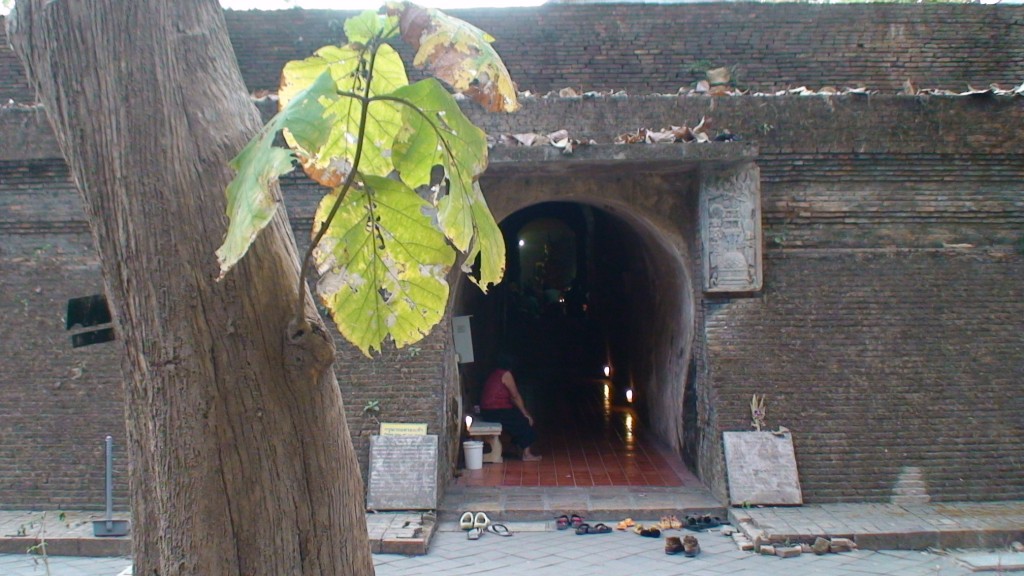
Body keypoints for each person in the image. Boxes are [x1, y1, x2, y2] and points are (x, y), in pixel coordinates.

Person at [479, 355, 541, 461]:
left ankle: (515, 448)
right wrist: (525, 413)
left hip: (487, 411)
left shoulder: (494, 373)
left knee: (515, 418)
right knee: (524, 421)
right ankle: (527, 454)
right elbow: (515, 396)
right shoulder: (505, 374)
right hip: (496, 410)